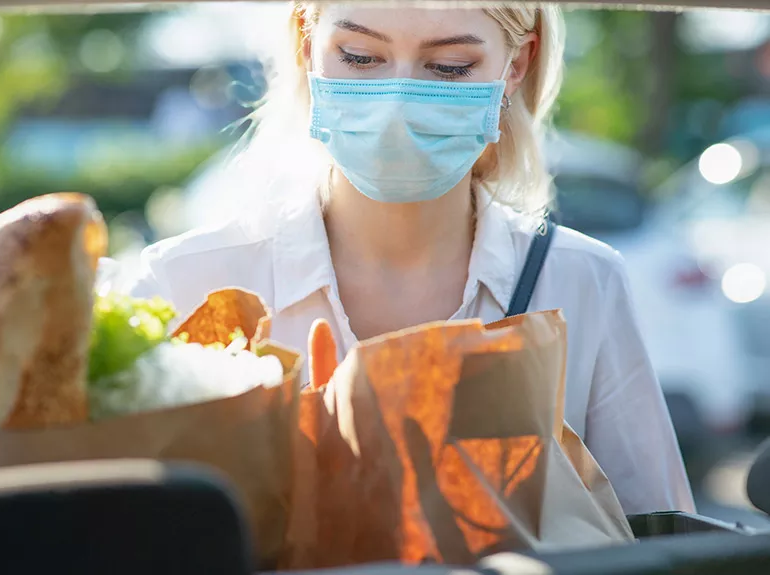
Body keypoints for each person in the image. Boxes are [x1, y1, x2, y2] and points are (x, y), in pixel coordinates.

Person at [107, 3, 696, 515]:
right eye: (361, 57)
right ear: (306, 44)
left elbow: (660, 537)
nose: (396, 101)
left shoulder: (582, 282)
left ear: (515, 67)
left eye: (449, 67)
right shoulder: (183, 282)